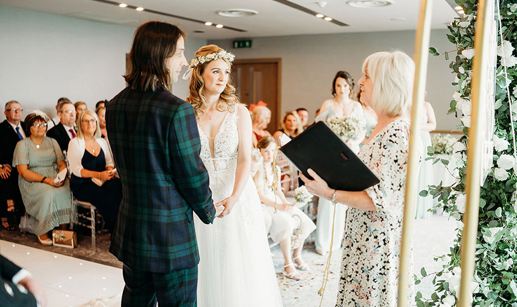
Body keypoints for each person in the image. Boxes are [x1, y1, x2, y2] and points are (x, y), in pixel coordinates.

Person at [106, 21, 217, 307]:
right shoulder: (176, 110)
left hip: (133, 229)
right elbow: (191, 175)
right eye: (179, 53)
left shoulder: (115, 104)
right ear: (159, 55)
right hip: (170, 237)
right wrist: (209, 210)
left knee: (136, 302)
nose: (184, 61)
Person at [301, 51, 416, 306]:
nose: (360, 82)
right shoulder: (382, 125)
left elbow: (379, 200)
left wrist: (328, 192)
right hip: (363, 234)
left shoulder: (398, 132)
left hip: (377, 240)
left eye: (367, 76)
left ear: (386, 84)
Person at [186, 44, 282, 307]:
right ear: (200, 74)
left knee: (238, 260)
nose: (221, 78)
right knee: (205, 259)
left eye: (226, 72)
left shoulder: (239, 111)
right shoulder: (185, 112)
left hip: (237, 194)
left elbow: (245, 158)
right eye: (215, 71)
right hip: (201, 197)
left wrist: (234, 197)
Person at [313, 70, 371, 255]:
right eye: (338, 85)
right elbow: (318, 127)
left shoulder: (357, 106)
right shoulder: (328, 104)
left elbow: (362, 130)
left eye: (345, 85)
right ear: (334, 87)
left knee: (345, 196)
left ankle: (337, 241)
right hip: (330, 153)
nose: (342, 89)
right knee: (326, 195)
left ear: (350, 87)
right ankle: (322, 243)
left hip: (351, 152)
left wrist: (355, 140)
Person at [253, 136, 316, 280]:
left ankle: (297, 256)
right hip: (264, 203)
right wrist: (278, 206)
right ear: (259, 151)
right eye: (266, 151)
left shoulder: (275, 168)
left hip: (275, 200)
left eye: (272, 151)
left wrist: (285, 203)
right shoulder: (257, 168)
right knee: (286, 223)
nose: (269, 155)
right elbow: (259, 194)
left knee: (303, 220)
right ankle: (288, 264)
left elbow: (278, 190)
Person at [13, 112, 71, 246]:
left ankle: (63, 232)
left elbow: (61, 164)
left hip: (54, 177)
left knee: (66, 190)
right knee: (48, 193)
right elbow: (23, 171)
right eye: (37, 124)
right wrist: (46, 180)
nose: (41, 127)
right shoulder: (22, 145)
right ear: (29, 127)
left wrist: (60, 178)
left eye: (44, 124)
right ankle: (43, 230)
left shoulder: (52, 142)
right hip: (33, 180)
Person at [67, 110, 122, 234]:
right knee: (107, 196)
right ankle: (115, 230)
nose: (89, 123)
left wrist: (109, 171)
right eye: (85, 121)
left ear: (96, 123)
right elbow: (77, 170)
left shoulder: (102, 141)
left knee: (118, 187)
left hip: (101, 180)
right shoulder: (75, 143)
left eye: (92, 120)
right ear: (80, 124)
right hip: (82, 184)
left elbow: (109, 162)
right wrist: (99, 174)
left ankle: (120, 227)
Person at [0, 101, 26, 231]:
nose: (16, 112)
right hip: (8, 166)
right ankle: (6, 213)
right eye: (13, 109)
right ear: (6, 113)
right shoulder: (1, 129)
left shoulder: (27, 127)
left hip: (27, 165)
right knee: (6, 174)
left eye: (19, 109)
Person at [415, 101, 437, 219]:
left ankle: (420, 208)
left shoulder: (426, 105)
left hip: (423, 139)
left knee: (423, 171)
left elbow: (433, 125)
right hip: (411, 137)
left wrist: (418, 127)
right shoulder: (405, 104)